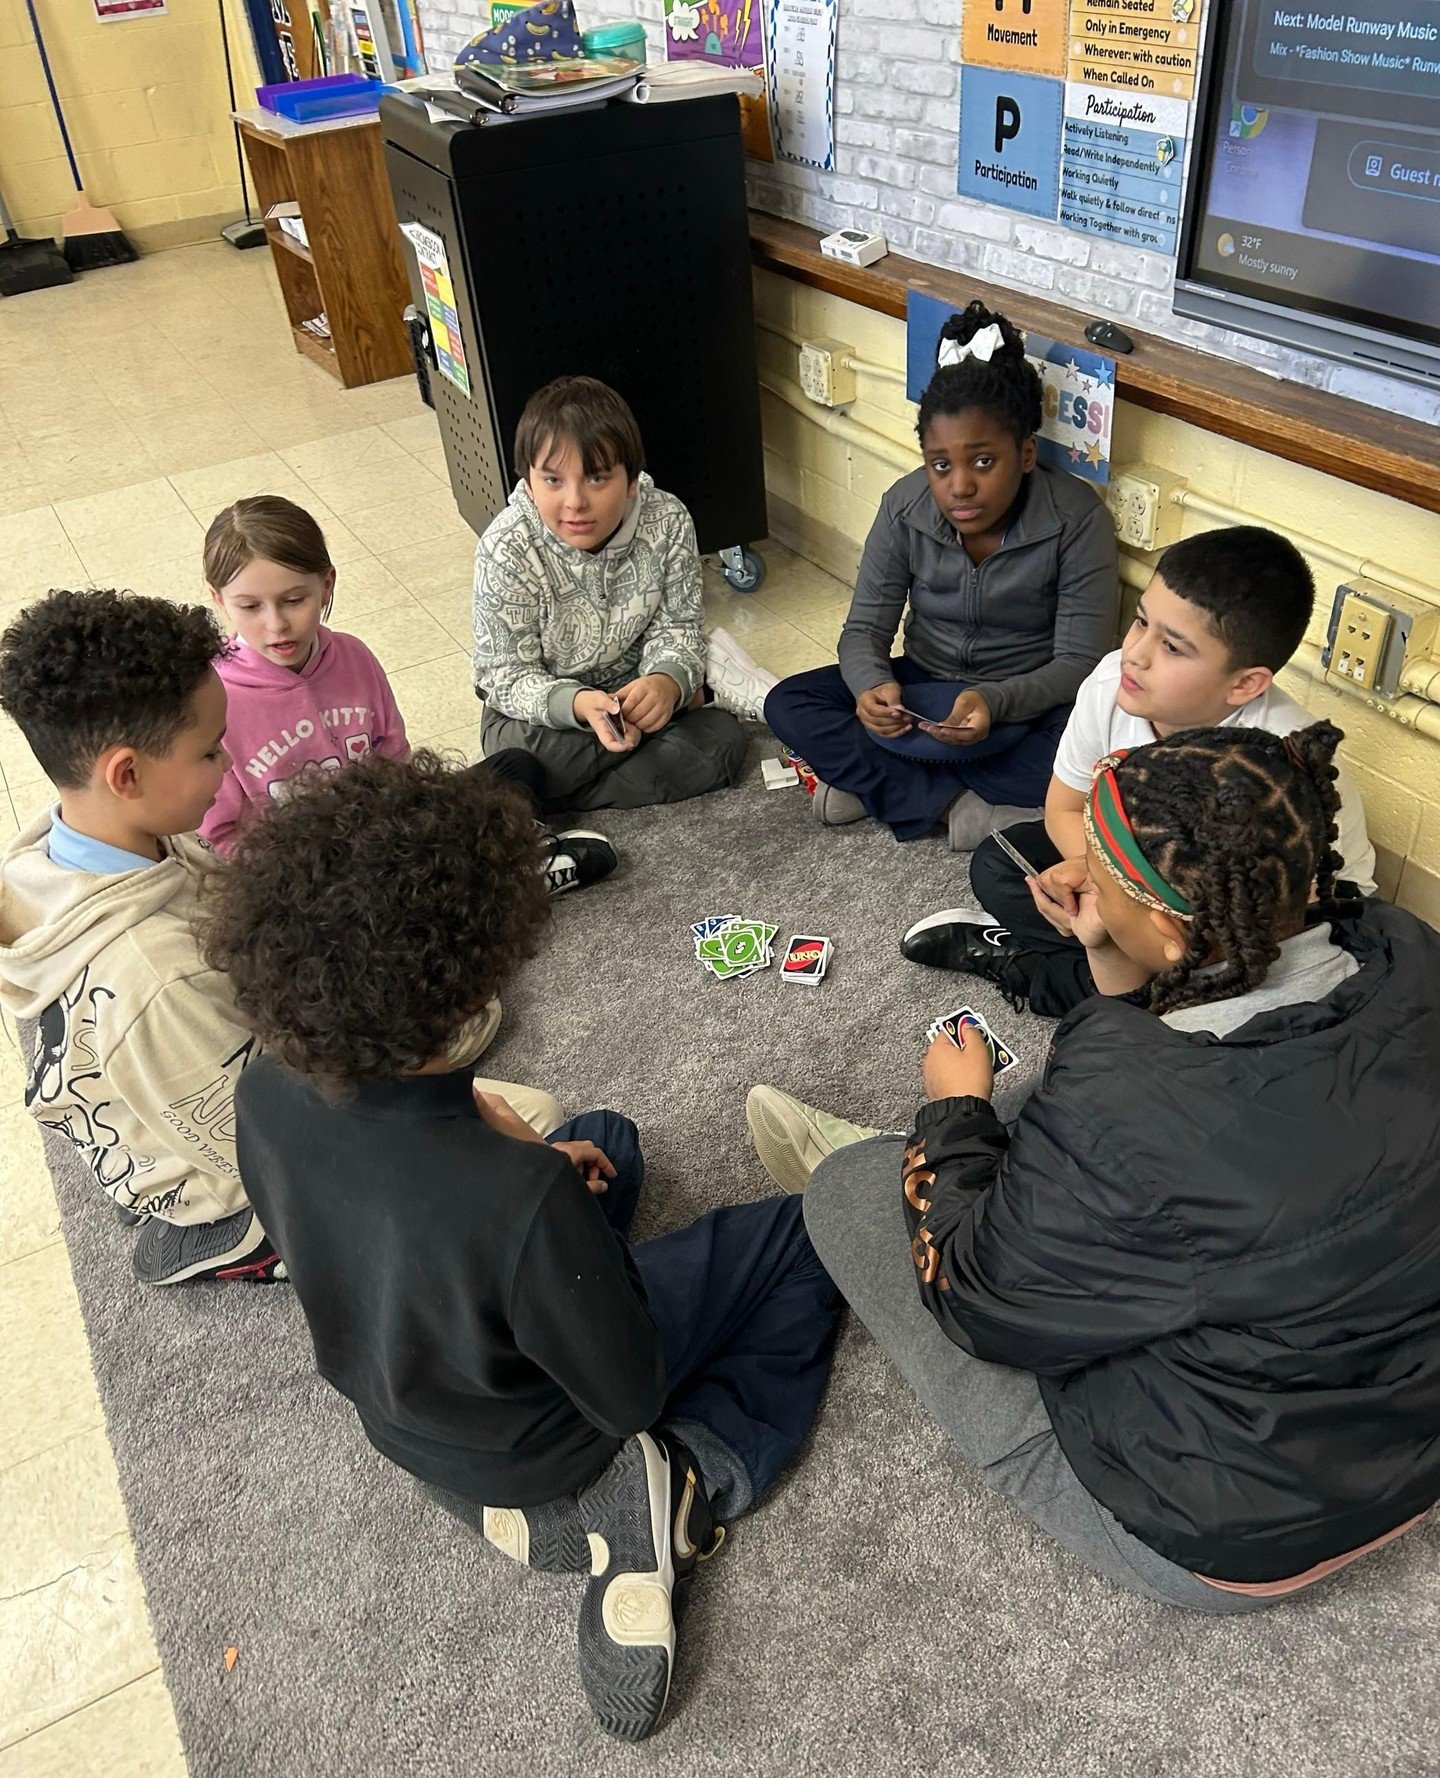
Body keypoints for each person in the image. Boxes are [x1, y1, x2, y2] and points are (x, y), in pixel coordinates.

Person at [206, 751, 842, 1742]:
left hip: (409, 1407)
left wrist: (513, 1149)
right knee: (814, 1228)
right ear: (471, 978)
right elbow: (623, 1391)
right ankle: (679, 1482)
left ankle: (578, 1453)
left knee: (612, 1142)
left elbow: (377, 1212)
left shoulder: (264, 1084)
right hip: (546, 1444)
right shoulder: (524, 1198)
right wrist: (548, 1199)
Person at [777, 722, 1440, 1606]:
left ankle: (885, 1164)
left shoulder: (1126, 1106)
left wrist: (951, 1112)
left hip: (1246, 1531)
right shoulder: (1405, 942)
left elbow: (980, 1300)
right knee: (1062, 1106)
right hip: (1408, 1426)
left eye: (1105, 874)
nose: (1077, 877)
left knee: (847, 1194)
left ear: (1170, 929)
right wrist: (1104, 948)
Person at [901, 525, 1378, 1012]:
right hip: (1136, 875)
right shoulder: (1112, 682)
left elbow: (1280, 921)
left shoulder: (1277, 762)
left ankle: (1046, 976)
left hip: (1246, 927)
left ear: (1244, 685)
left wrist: (1116, 910)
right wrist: (1101, 881)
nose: (1135, 654)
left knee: (1222, 990)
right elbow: (1063, 808)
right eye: (1139, 621)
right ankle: (1112, 979)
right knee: (1000, 865)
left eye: (1172, 647)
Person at [0, 590, 281, 1284]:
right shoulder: (154, 977)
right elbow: (272, 1141)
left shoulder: (60, 844)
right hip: (211, 1163)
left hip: (159, 1076)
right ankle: (221, 1234)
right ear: (126, 774)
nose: (228, 762)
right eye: (211, 750)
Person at [763, 301, 1119, 849]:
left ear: (1025, 453)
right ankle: (955, 804)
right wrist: (871, 686)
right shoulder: (904, 507)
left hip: (1021, 706)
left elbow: (1079, 664)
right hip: (920, 693)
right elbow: (863, 631)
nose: (959, 487)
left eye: (982, 462)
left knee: (1101, 752)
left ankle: (882, 784)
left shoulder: (1076, 517)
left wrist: (995, 701)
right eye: (940, 464)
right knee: (788, 704)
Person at [202, 494, 615, 896]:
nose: (276, 625)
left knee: (517, 769)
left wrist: (409, 830)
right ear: (219, 600)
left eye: (294, 600)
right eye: (250, 607)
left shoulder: (354, 656)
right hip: (307, 880)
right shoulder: (214, 699)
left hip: (387, 838)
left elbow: (398, 766)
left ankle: (480, 882)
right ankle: (503, 883)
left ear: (326, 585)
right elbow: (220, 837)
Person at [472, 375, 776, 812]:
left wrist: (665, 681)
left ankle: (543, 797)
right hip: (543, 717)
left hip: (632, 692)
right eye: (553, 480)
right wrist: (576, 705)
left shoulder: (668, 520)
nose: (575, 501)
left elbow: (678, 625)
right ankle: (696, 700)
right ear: (527, 478)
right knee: (522, 758)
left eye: (597, 478)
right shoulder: (506, 547)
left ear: (631, 479)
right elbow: (503, 675)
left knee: (723, 745)